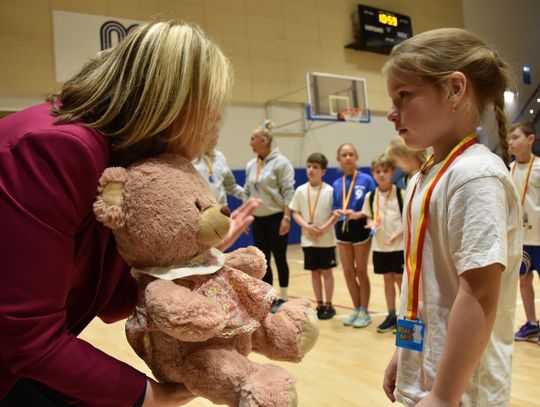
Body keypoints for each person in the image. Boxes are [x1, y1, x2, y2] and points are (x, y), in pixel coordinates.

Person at [0, 21, 257, 407]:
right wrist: (149, 396)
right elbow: (28, 337)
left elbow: (110, 302)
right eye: (210, 108)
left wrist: (189, 263)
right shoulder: (59, 149)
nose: (215, 124)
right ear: (172, 104)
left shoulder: (128, 163)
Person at [382, 28, 522, 407]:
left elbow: (479, 294)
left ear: (454, 90)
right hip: (427, 374)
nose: (392, 113)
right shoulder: (424, 175)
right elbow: (421, 288)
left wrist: (444, 395)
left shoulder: (475, 176)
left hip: (462, 390)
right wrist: (404, 354)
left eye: (404, 95)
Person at [244, 120, 295, 312]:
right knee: (263, 260)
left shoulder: (282, 163)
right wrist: (246, 216)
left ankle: (284, 296)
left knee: (279, 257)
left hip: (276, 217)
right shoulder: (251, 165)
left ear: (264, 141)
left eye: (253, 138)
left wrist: (287, 217)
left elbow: (289, 192)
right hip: (258, 219)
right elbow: (248, 192)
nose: (250, 142)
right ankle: (269, 297)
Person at [289, 153, 338, 320]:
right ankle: (320, 303)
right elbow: (295, 212)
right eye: (309, 166)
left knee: (326, 272)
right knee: (315, 273)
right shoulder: (301, 190)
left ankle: (329, 304)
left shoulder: (330, 190)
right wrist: (307, 227)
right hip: (308, 240)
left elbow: (335, 214)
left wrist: (322, 228)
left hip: (326, 240)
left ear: (323, 171)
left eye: (315, 167)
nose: (311, 170)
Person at [332, 143, 376, 328]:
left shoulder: (366, 180)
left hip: (360, 227)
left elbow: (375, 205)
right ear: (339, 159)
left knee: (361, 271)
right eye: (344, 155)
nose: (348, 157)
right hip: (342, 228)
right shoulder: (337, 184)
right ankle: (356, 309)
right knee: (348, 272)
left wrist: (360, 214)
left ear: (356, 157)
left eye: (351, 154)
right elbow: (334, 206)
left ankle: (365, 311)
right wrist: (336, 212)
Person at [362, 154, 404, 333]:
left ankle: (404, 316)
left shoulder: (401, 194)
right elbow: (369, 216)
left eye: (385, 171)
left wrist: (396, 235)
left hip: (399, 246)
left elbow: (408, 220)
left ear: (392, 172)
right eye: (377, 171)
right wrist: (371, 223)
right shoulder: (371, 196)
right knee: (387, 279)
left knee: (400, 280)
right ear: (373, 173)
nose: (381, 174)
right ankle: (391, 314)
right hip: (380, 246)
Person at [508, 121, 540, 343]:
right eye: (509, 138)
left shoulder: (539, 167)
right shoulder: (508, 169)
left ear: (530, 139)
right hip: (521, 239)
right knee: (524, 280)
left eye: (516, 137)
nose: (511, 142)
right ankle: (531, 323)